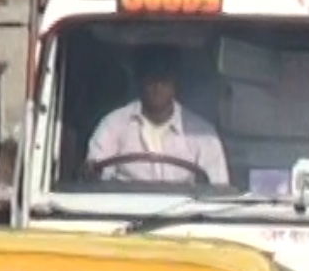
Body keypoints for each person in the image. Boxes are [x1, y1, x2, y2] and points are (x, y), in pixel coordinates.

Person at [83, 54, 229, 186]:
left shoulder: (202, 133)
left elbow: (218, 187)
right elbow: (96, 178)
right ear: (139, 82)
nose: (158, 87)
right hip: (124, 210)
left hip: (184, 213)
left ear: (175, 84)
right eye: (151, 79)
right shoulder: (113, 124)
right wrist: (92, 173)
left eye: (164, 79)